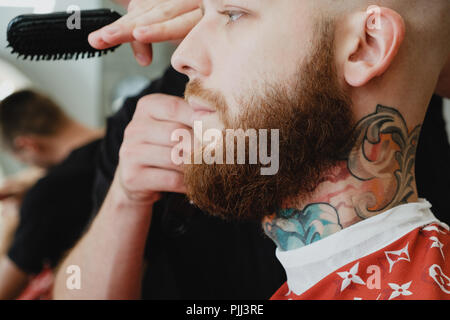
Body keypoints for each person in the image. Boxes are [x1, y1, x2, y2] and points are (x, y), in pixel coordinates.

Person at [54, 0, 450, 300]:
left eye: (232, 15)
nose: (181, 58)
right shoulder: (142, 121)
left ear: (365, 46)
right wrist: (126, 196)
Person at [0, 90, 103, 299]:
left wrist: (12, 222)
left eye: (21, 159)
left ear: (27, 144)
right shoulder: (121, 135)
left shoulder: (46, 195)